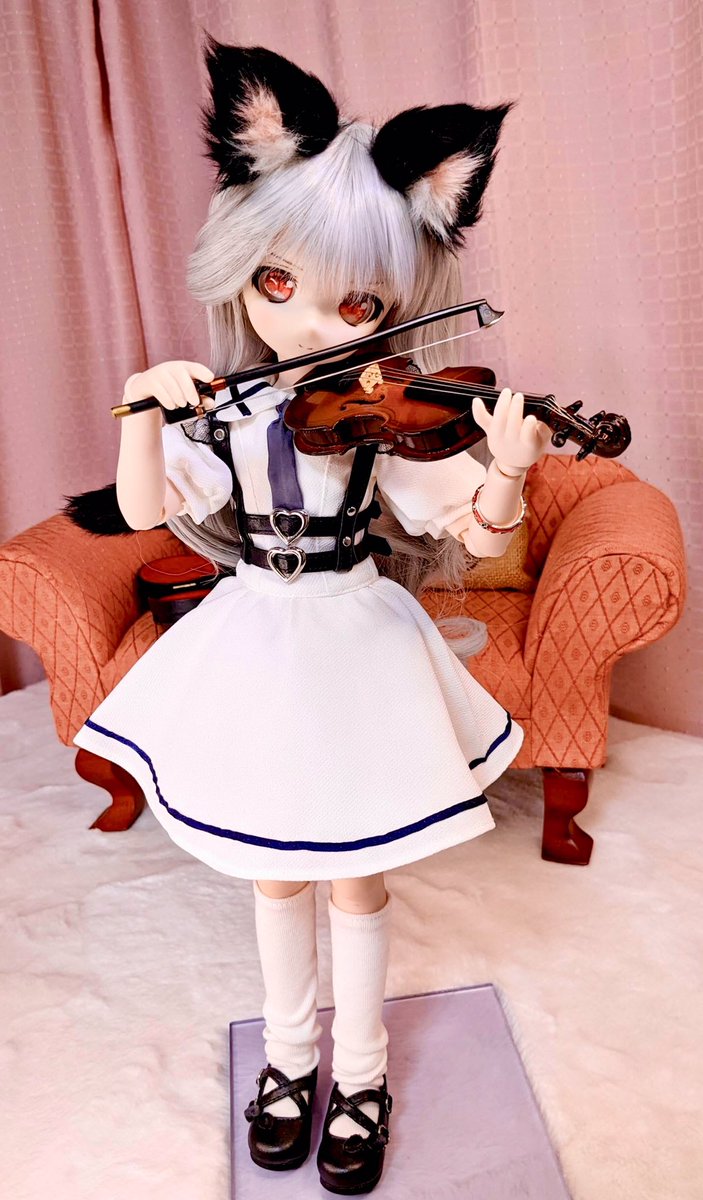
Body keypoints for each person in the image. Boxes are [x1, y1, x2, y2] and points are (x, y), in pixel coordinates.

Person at [73, 39, 551, 1195]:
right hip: (256, 631)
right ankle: (290, 1058)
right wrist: (143, 404)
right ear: (241, 272)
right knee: (274, 875)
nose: (315, 325)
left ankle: (364, 1073)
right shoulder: (227, 412)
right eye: (279, 285)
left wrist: (506, 467)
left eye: (358, 303)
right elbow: (141, 508)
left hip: (355, 634)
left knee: (355, 878)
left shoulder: (383, 415)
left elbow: (473, 527)